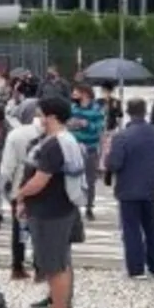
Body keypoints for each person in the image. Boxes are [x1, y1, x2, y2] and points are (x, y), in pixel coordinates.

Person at [14, 97, 79, 308]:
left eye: (41, 114)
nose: (38, 118)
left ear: (51, 117)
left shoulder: (54, 145)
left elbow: (40, 180)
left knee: (54, 267)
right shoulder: (66, 139)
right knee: (60, 263)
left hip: (50, 212)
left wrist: (20, 195)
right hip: (61, 208)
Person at [106, 98, 154, 279]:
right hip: (151, 185)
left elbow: (115, 163)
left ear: (128, 112)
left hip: (128, 187)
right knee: (152, 226)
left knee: (131, 229)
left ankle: (136, 267)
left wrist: (108, 158)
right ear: (145, 110)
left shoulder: (122, 137)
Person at [0, 99, 42, 281]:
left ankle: (18, 265)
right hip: (43, 186)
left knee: (20, 228)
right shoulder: (50, 132)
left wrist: (4, 189)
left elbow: (7, 166)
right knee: (41, 228)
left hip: (19, 186)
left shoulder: (15, 135)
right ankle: (40, 267)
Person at [68, 84, 104, 221]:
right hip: (74, 149)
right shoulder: (73, 108)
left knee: (90, 179)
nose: (73, 95)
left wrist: (86, 124)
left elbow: (99, 127)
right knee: (72, 177)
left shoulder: (96, 109)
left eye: (75, 92)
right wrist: (71, 124)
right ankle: (73, 207)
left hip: (90, 148)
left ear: (85, 94)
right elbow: (66, 124)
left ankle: (89, 207)